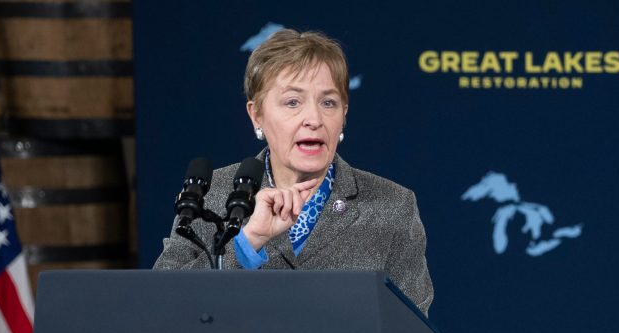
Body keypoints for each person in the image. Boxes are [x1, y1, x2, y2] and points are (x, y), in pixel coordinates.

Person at [153, 29, 433, 316]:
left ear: (344, 115)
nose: (314, 119)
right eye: (292, 102)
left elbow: (412, 327)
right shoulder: (211, 196)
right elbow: (160, 308)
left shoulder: (393, 206)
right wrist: (247, 243)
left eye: (328, 103)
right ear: (256, 115)